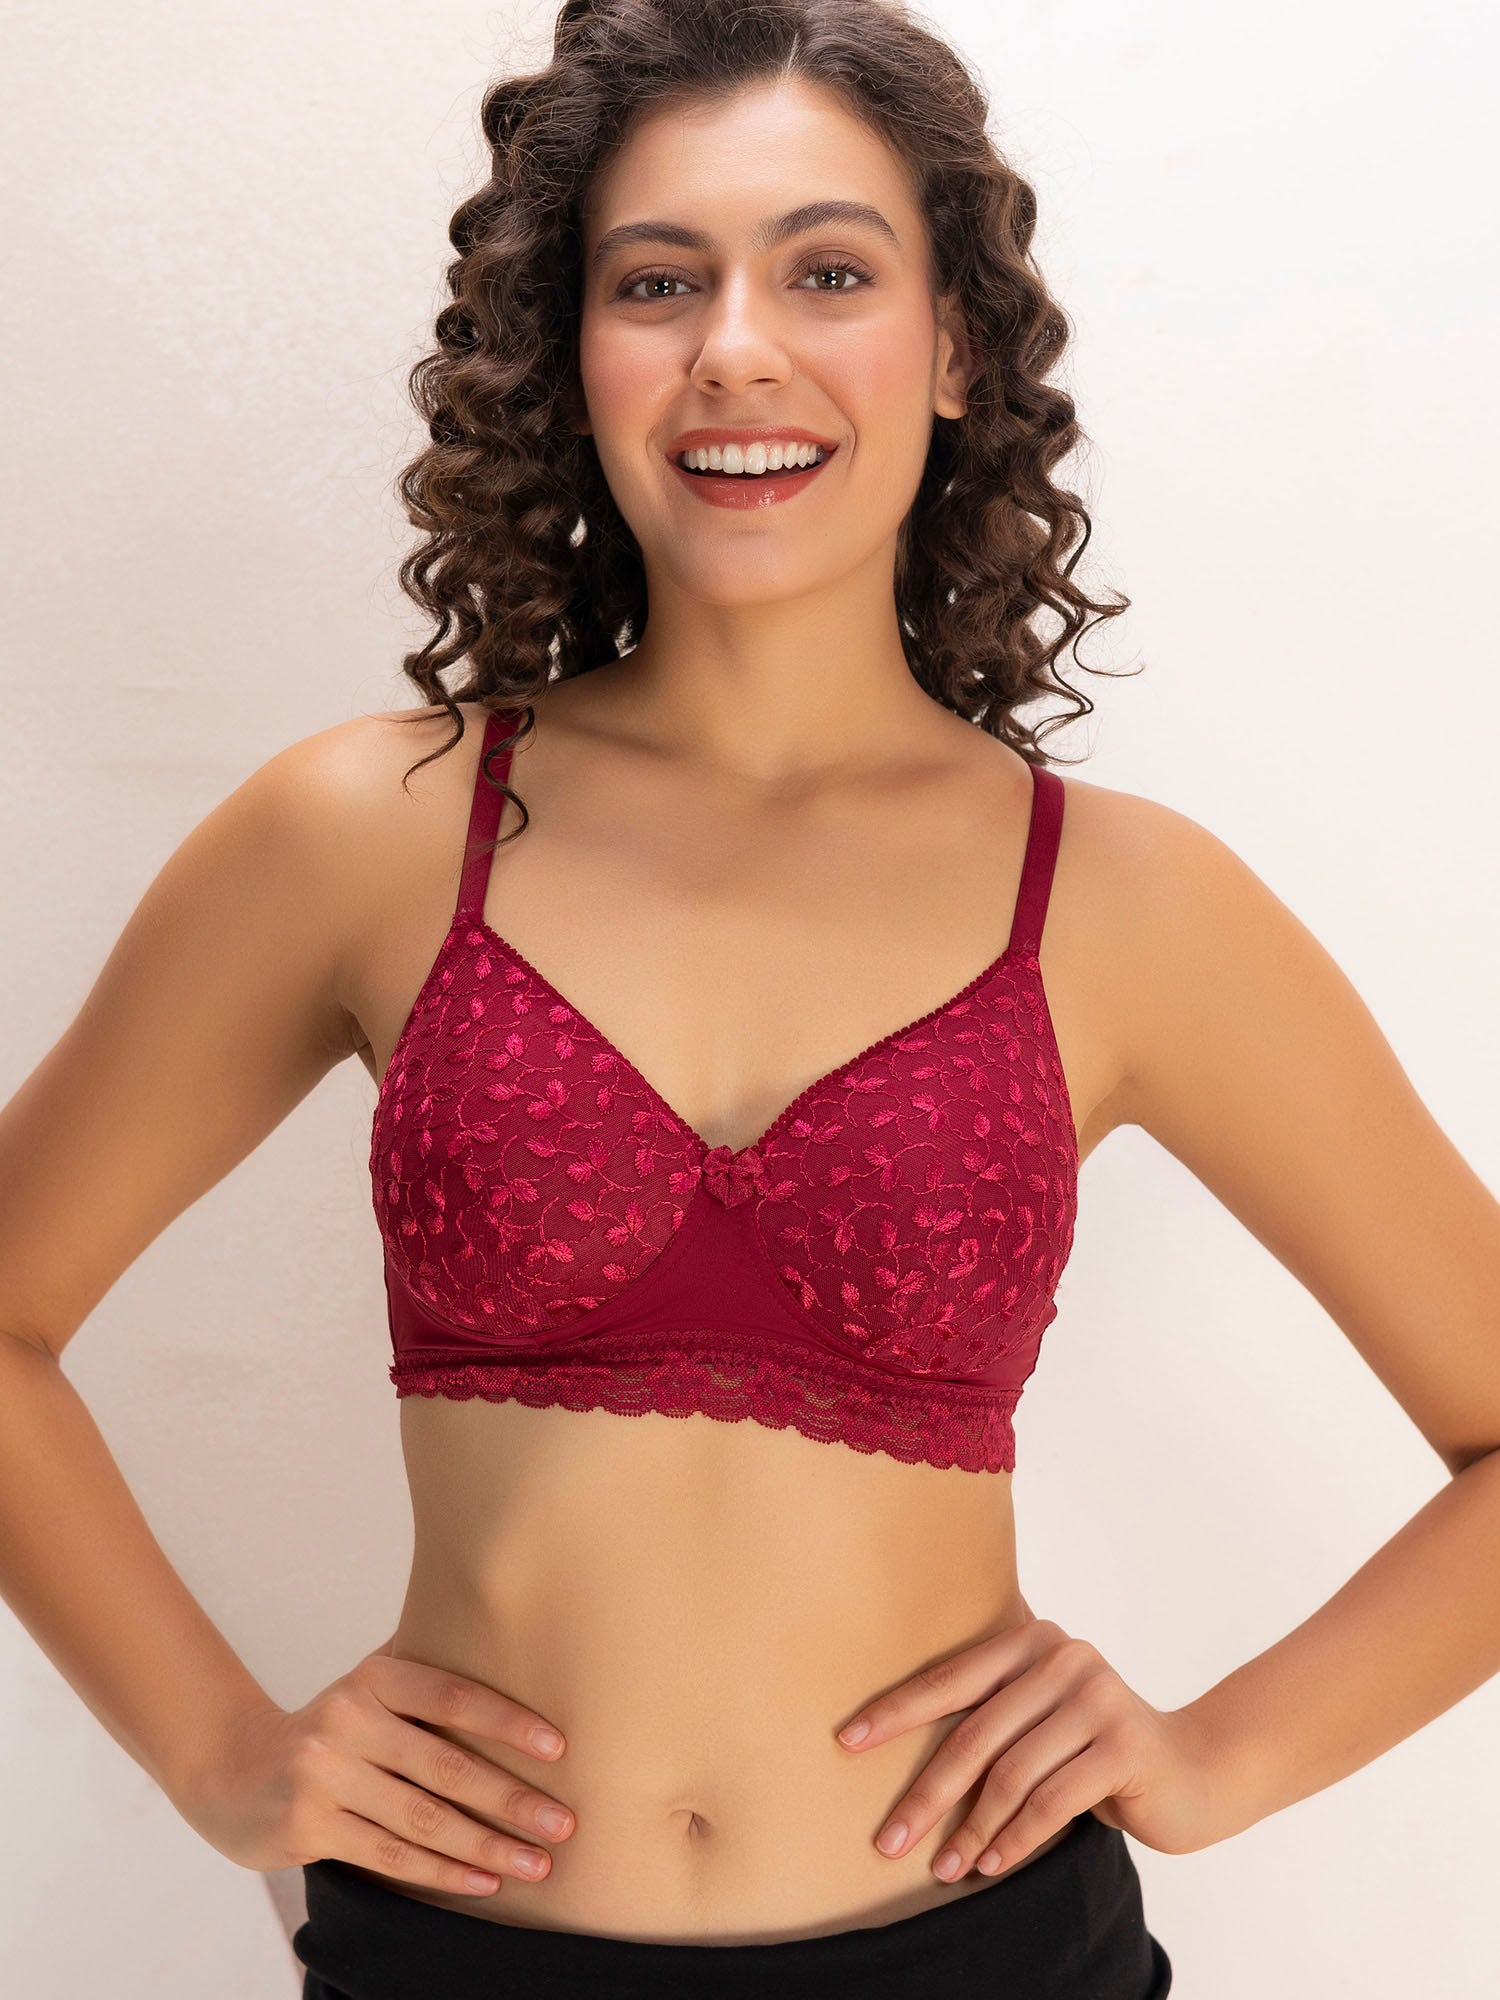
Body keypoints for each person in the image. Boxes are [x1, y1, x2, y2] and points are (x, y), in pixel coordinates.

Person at [4, 3, 1498, 1997]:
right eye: (656, 282)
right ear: (570, 357)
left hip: (993, 1966)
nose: (734, 346)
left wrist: (1218, 1759)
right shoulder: (366, 832)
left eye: (827, 271)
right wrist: (213, 1752)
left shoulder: (1129, 903)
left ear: (955, 348)